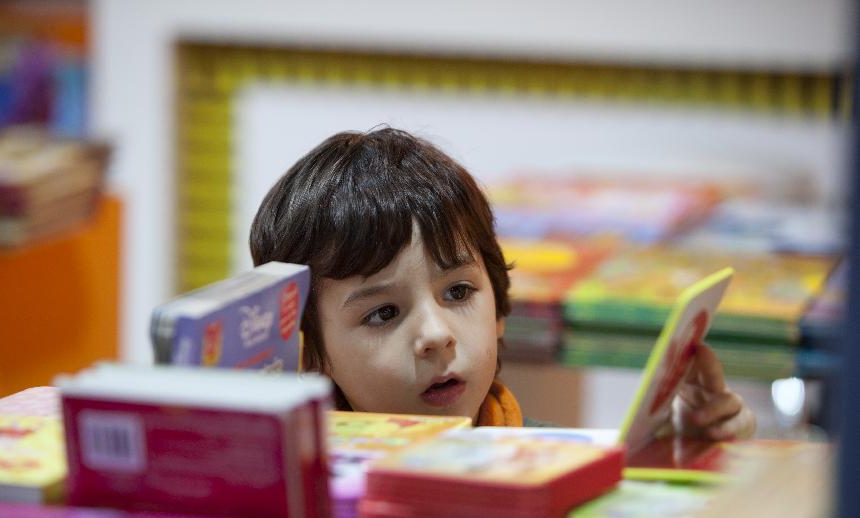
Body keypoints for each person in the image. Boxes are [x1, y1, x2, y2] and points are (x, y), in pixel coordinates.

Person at [249, 127, 756, 437]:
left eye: (459, 292)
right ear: (308, 352)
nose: (437, 334)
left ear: (498, 312)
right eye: (383, 313)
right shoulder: (301, 489)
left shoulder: (554, 460)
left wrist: (681, 453)